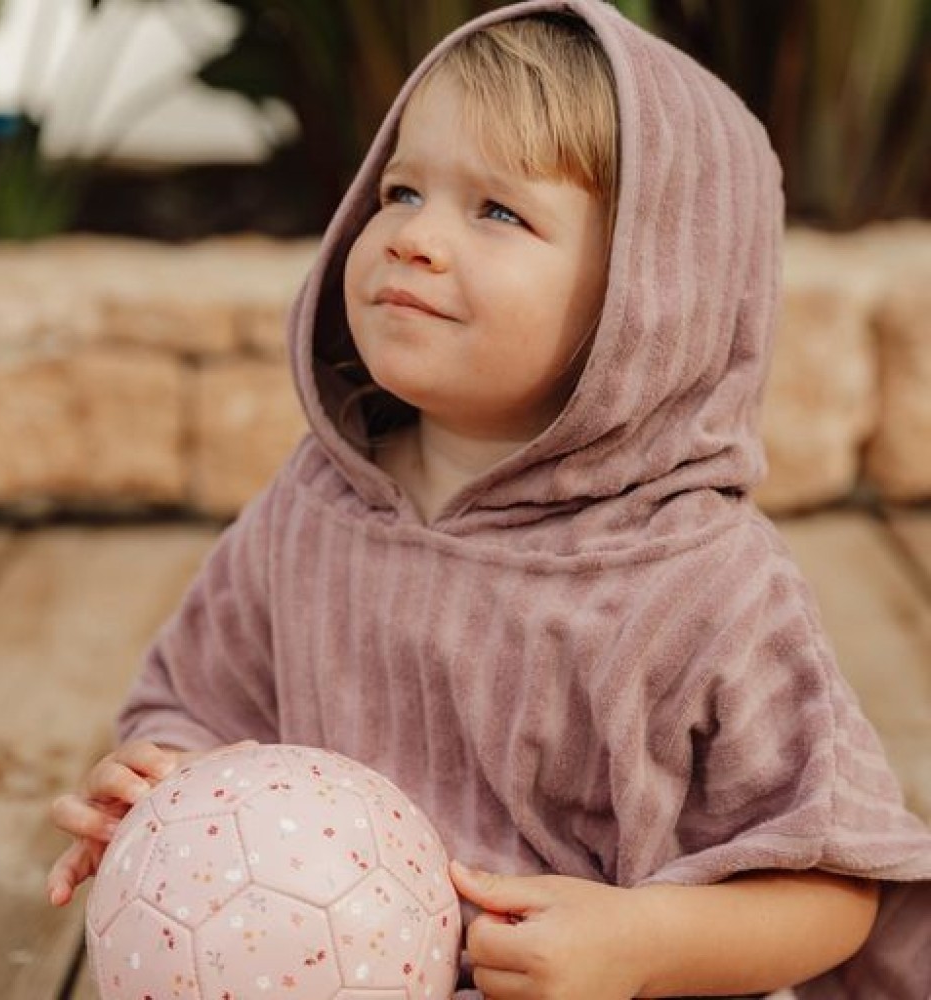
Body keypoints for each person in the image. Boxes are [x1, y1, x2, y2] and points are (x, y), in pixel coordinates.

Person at [48, 2, 931, 997]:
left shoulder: (705, 585)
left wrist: (642, 944)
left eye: (498, 211)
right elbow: (195, 704)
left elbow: (833, 884)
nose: (413, 238)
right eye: (402, 188)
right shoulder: (314, 509)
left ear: (651, 300)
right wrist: (158, 781)